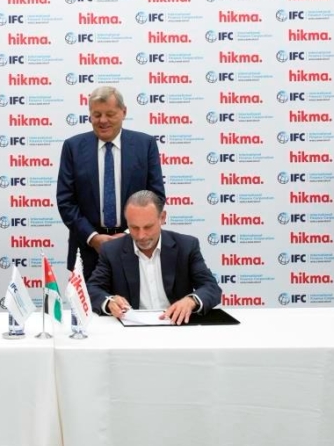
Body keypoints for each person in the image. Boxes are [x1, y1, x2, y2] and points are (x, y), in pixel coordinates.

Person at [57, 86, 165, 280]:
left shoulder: (145, 145)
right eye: (97, 115)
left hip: (136, 246)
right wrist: (93, 238)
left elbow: (155, 196)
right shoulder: (72, 147)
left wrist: (130, 234)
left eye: (110, 114)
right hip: (87, 250)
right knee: (90, 300)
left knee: (133, 300)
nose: (103, 120)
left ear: (124, 112)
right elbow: (66, 201)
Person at [86, 190, 221, 325]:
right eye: (134, 227)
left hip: (176, 325)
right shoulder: (111, 250)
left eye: (148, 227)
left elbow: (211, 287)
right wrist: (109, 302)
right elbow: (92, 289)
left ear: (162, 218)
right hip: (131, 327)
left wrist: (191, 301)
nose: (141, 236)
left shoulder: (186, 246)